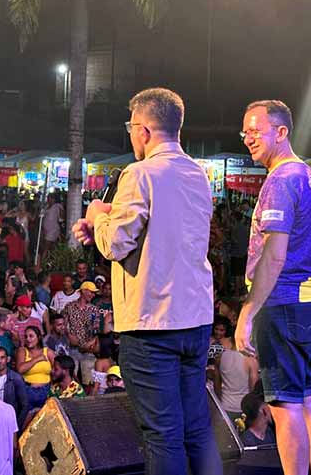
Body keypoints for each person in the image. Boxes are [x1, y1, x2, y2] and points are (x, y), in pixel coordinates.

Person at [73, 87, 222, 475]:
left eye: (130, 127)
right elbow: (162, 235)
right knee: (197, 429)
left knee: (162, 434)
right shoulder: (198, 174)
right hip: (195, 318)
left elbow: (116, 243)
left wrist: (97, 215)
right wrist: (103, 226)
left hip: (152, 322)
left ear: (142, 129)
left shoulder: (139, 174)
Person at [233, 100, 311, 475]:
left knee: (284, 405)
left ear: (281, 132)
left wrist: (248, 311)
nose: (248, 139)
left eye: (256, 131)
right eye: (245, 132)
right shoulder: (307, 175)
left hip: (285, 303)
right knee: (306, 398)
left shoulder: (282, 179)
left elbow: (274, 254)